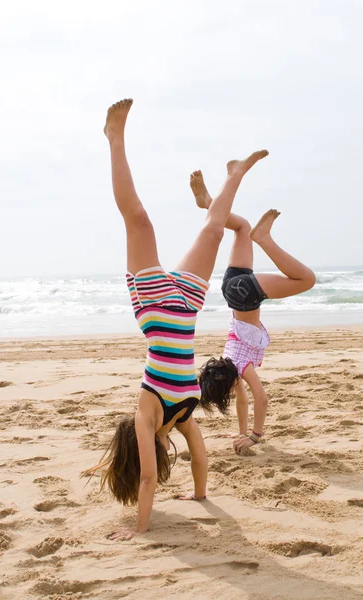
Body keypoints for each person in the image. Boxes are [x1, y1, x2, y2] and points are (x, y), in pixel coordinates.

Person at [83, 98, 268, 540]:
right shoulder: (183, 414)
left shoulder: (145, 413)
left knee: (139, 220)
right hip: (185, 304)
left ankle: (114, 137)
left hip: (154, 306)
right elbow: (200, 457)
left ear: (140, 441)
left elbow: (148, 480)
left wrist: (140, 530)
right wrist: (199, 496)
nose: (162, 452)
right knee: (210, 231)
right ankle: (234, 176)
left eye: (153, 450)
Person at [191, 171, 316, 455]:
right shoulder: (229, 358)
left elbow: (261, 399)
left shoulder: (242, 366)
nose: (237, 393)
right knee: (241, 226)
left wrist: (255, 437)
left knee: (306, 280)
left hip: (246, 295)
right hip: (230, 290)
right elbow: (243, 401)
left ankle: (264, 239)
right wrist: (241, 431)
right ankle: (210, 203)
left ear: (230, 383)